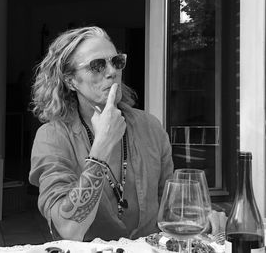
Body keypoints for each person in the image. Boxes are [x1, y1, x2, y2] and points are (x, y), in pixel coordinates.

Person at [29, 26, 225, 242]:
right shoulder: (52, 137)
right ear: (71, 81)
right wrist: (101, 149)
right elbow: (69, 229)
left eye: (116, 61)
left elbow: (170, 204)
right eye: (97, 65)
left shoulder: (149, 126)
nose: (112, 72)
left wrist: (203, 216)